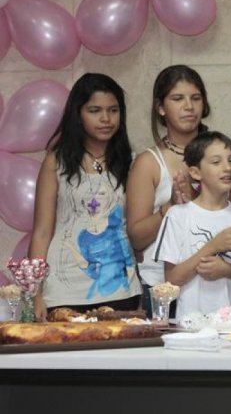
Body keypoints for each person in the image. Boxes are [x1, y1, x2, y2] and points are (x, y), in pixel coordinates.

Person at [126, 65, 231, 315]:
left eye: (195, 98)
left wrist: (198, 201)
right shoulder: (148, 162)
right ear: (161, 107)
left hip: (222, 280)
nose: (189, 106)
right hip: (166, 288)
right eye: (177, 98)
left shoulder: (229, 151)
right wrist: (171, 208)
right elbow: (137, 237)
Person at [29, 73, 142, 320]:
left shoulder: (131, 161)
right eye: (95, 110)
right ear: (78, 114)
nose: (106, 119)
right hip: (63, 289)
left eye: (113, 110)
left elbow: (136, 228)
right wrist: (35, 293)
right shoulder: (56, 161)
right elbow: (41, 232)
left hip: (121, 286)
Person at [154, 131, 231, 319]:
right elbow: (171, 281)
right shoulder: (178, 216)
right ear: (195, 172)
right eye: (216, 162)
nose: (227, 168)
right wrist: (212, 247)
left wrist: (229, 270)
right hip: (191, 326)